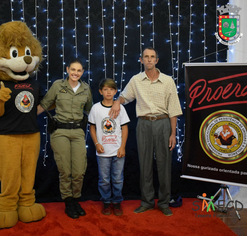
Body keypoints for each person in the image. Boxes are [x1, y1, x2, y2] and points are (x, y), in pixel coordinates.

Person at [109, 47, 182, 216]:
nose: (149, 60)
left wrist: (173, 134)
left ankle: (164, 202)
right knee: (145, 164)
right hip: (143, 124)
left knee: (164, 165)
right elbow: (125, 96)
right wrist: (116, 101)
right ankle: (147, 202)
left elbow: (174, 109)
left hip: (163, 123)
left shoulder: (168, 80)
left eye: (152, 57)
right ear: (141, 60)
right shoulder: (136, 80)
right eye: (146, 57)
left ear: (157, 60)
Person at [37, 58, 93, 219]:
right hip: (60, 131)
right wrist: (26, 118)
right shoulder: (58, 86)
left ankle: (76, 199)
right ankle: (68, 202)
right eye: (73, 69)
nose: (75, 73)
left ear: (82, 72)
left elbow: (90, 111)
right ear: (67, 70)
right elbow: (45, 104)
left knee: (79, 171)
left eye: (79, 70)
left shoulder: (85, 88)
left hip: (77, 132)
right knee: (65, 170)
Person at [88, 78, 130, 216]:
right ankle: (106, 201)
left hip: (117, 150)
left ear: (115, 91)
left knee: (118, 178)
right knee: (104, 179)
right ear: (100, 91)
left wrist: (122, 147)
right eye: (105, 89)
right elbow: (92, 127)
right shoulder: (95, 108)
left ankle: (117, 202)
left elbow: (124, 128)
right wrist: (97, 144)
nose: (108, 92)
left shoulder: (120, 108)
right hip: (102, 152)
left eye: (111, 89)